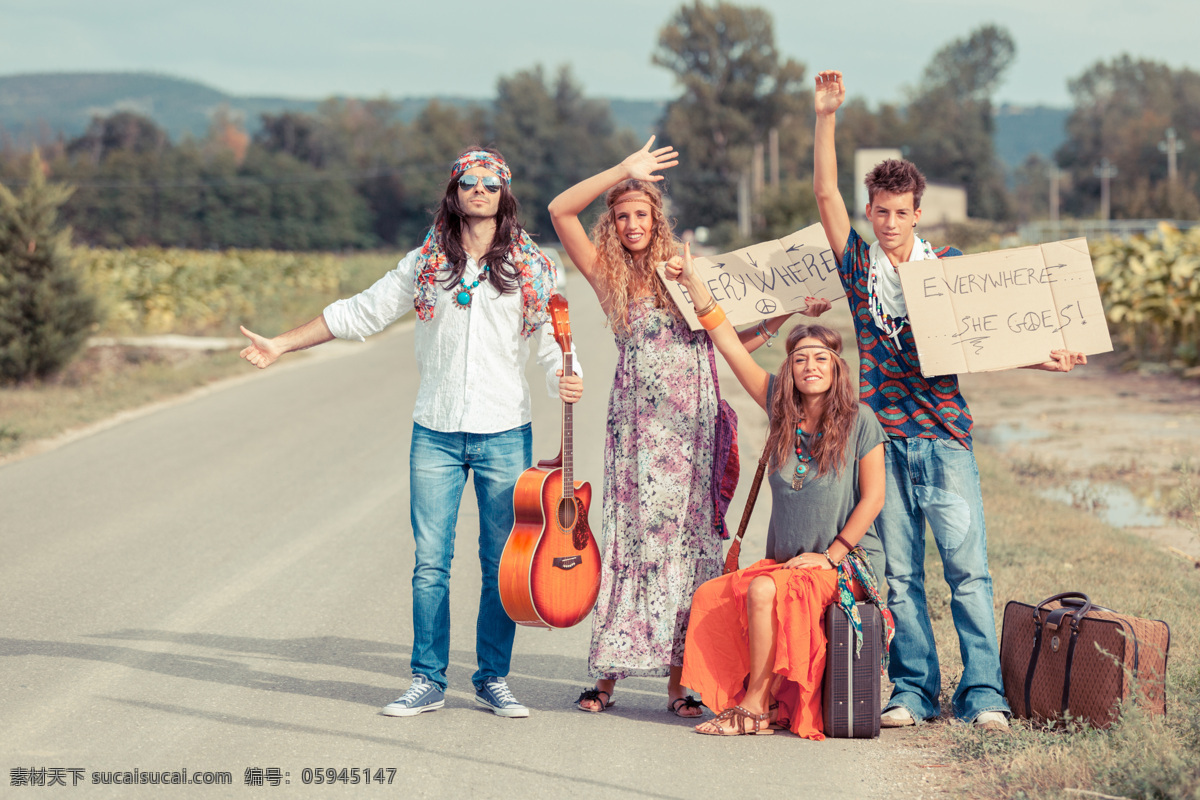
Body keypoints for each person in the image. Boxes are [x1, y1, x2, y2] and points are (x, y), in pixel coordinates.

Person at [238, 146, 583, 719]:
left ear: (504, 195)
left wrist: (567, 378)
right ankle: (427, 679)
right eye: (469, 182)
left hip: (504, 431)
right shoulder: (426, 262)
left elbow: (555, 343)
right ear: (454, 191)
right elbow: (360, 313)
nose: (480, 191)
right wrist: (281, 343)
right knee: (431, 562)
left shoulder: (535, 265)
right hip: (437, 432)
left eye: (491, 184)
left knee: (503, 560)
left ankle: (493, 677)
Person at [810, 70, 1086, 732]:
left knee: (968, 574)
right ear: (871, 212)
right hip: (883, 444)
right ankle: (912, 690)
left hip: (945, 440)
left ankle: (983, 693)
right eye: (880, 211)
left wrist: (1044, 356)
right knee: (902, 577)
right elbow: (824, 194)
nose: (890, 223)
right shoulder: (858, 271)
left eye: (902, 212)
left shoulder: (948, 269)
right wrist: (826, 117)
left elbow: (983, 340)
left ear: (917, 214)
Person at [548, 138, 791, 717]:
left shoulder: (687, 275)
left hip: (694, 430)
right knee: (634, 541)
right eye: (622, 216)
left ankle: (680, 683)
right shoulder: (610, 278)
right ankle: (607, 678)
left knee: (689, 547)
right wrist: (622, 172)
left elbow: (731, 342)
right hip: (637, 433)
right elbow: (560, 211)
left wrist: (786, 314)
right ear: (613, 223)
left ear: (658, 221)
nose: (632, 224)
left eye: (641, 215)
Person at [666, 246, 889, 737]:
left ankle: (755, 708)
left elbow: (873, 498)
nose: (811, 366)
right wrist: (694, 286)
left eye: (821, 358)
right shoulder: (778, 407)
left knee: (764, 588)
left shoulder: (860, 421)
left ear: (836, 368)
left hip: (843, 566)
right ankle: (742, 699)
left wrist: (830, 555)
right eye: (801, 358)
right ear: (789, 369)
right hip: (786, 563)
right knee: (713, 596)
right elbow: (726, 342)